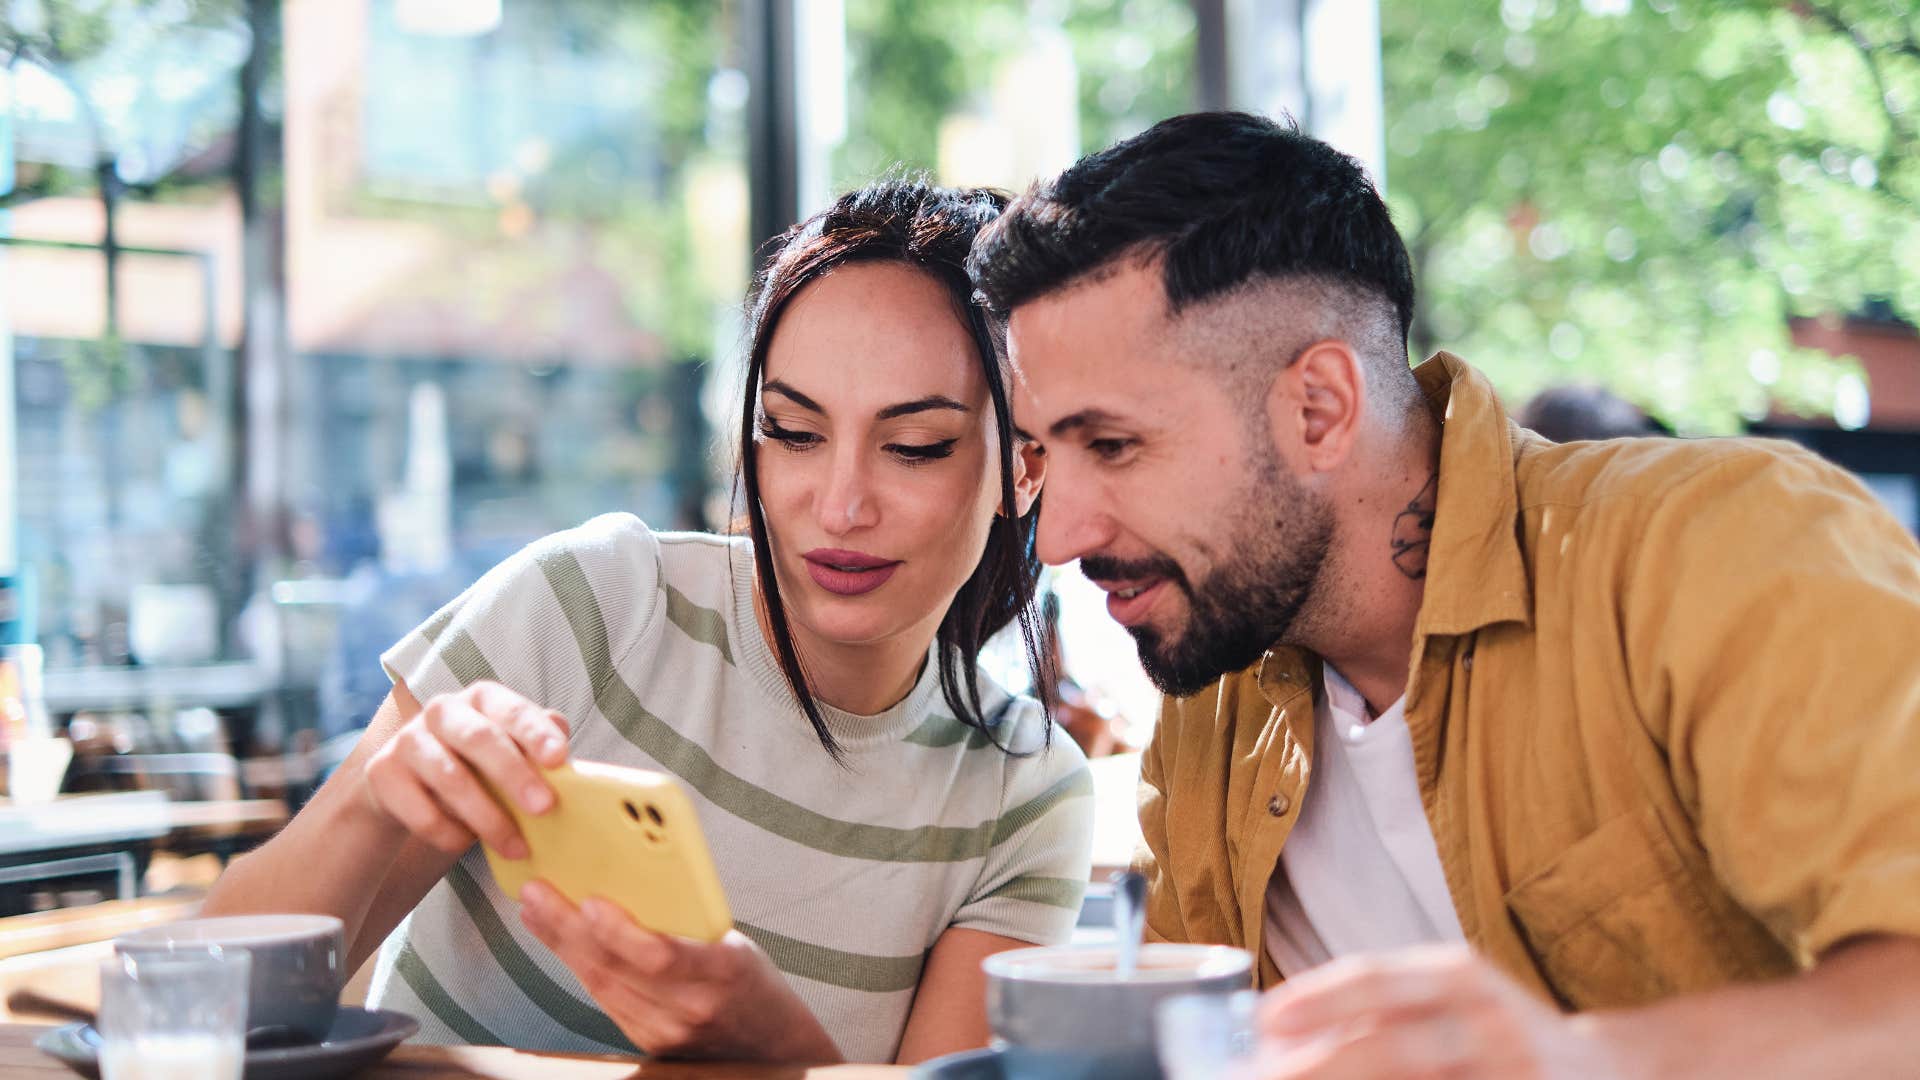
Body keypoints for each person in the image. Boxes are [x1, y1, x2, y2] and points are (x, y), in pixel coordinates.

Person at [968, 111, 1920, 1076]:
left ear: (1319, 409)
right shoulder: (1214, 705)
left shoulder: (1719, 550)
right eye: (1044, 454)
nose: (1060, 537)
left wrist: (1580, 1061)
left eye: (1114, 445)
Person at [203, 180, 1094, 1065]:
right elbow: (200, 1014)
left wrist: (775, 1054)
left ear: (1025, 469)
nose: (840, 505)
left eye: (914, 447)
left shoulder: (1022, 795)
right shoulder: (595, 608)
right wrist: (375, 801)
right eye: (793, 431)